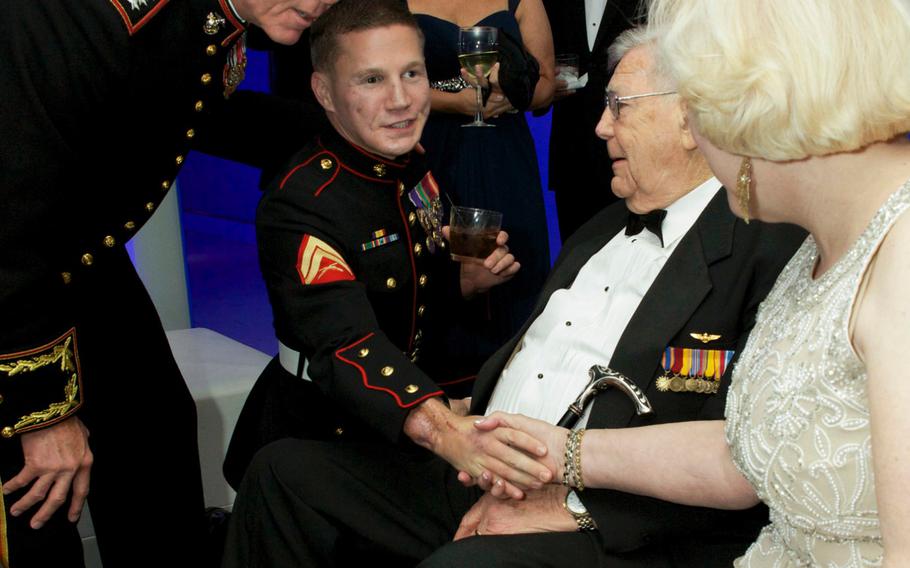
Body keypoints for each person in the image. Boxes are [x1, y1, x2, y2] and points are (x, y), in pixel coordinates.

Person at [223, 27, 807, 567]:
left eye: (618, 107)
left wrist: (575, 507)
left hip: (606, 511)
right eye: (372, 79)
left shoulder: (765, 251)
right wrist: (464, 428)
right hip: (488, 461)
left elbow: (749, 455)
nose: (600, 127)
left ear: (689, 120)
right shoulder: (602, 225)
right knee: (282, 473)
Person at [475, 1, 910, 565]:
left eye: (702, 108)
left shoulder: (898, 264)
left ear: (764, 103)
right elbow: (748, 452)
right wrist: (561, 452)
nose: (701, 141)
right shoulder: (819, 245)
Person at [0, 1, 336, 566]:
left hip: (78, 258)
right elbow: (8, 221)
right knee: (36, 502)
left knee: (155, 446)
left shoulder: (207, 17)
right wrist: (44, 415)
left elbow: (183, 106)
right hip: (16, 280)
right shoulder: (88, 15)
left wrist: (350, 125)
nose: (319, 2)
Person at [222, 0, 556, 506]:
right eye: (372, 80)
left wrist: (462, 281)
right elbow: (346, 345)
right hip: (320, 445)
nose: (401, 100)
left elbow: (408, 286)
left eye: (412, 74)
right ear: (324, 92)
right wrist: (442, 428)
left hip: (395, 430)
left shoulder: (411, 169)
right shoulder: (302, 202)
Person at [406, 0, 556, 378]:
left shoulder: (522, 1)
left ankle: (515, 379)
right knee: (438, 256)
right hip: (432, 146)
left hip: (503, 151)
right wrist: (454, 103)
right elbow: (390, 81)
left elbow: (546, 86)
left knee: (513, 257)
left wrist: (511, 89)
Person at [542, 0, 638, 242]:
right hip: (572, 151)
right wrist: (542, 88)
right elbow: (538, 63)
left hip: (632, 147)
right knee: (575, 251)